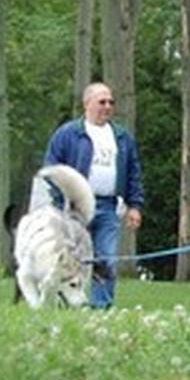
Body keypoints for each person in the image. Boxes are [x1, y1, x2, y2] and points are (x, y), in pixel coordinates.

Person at [43, 82, 145, 309]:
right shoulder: (69, 134)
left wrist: (134, 206)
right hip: (75, 207)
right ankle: (68, 303)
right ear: (87, 103)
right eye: (102, 102)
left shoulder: (121, 137)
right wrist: (62, 201)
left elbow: (133, 173)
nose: (107, 106)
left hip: (108, 207)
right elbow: (51, 170)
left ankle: (102, 307)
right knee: (72, 259)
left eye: (111, 102)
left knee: (105, 259)